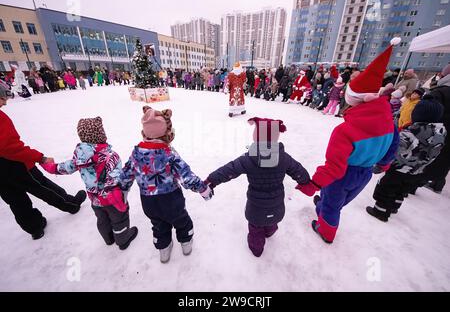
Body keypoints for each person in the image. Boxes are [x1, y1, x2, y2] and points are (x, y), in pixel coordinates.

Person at [296, 38, 402, 244]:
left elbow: (334, 168)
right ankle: (325, 205)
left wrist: (313, 184)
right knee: (340, 200)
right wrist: (384, 164)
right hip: (365, 173)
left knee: (331, 206)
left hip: (343, 175)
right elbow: (393, 145)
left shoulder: (345, 130)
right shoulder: (389, 121)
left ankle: (326, 230)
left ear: (354, 100)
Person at [205, 118, 311, 257]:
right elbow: (299, 172)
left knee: (255, 229)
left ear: (256, 137)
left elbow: (228, 170)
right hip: (276, 205)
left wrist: (211, 180)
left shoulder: (248, 159)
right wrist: (305, 182)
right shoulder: (284, 158)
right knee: (271, 221)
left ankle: (256, 249)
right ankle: (270, 231)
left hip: (256, 206)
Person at [120, 106, 212, 263]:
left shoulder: (136, 153)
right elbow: (186, 176)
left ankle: (163, 249)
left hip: (148, 202)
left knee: (158, 225)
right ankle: (186, 242)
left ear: (145, 133)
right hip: (171, 200)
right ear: (167, 134)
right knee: (182, 221)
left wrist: (122, 191)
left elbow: (126, 174)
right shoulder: (169, 153)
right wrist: (203, 189)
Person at [0, 83, 86, 240]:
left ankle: (34, 227)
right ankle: (71, 205)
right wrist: (40, 157)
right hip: (14, 165)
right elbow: (10, 147)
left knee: (16, 201)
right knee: (43, 187)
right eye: (2, 98)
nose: (5, 102)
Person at [40, 117, 139, 249]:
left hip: (95, 199)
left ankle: (108, 238)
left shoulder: (79, 158)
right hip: (112, 199)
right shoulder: (110, 155)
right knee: (119, 219)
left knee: (102, 219)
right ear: (101, 134)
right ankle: (123, 240)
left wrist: (48, 165)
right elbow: (119, 178)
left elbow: (63, 168)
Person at [367, 100, 446, 222]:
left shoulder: (413, 132)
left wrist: (383, 159)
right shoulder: (440, 133)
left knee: (387, 188)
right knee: (402, 189)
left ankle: (380, 211)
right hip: (417, 170)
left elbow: (396, 148)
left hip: (400, 167)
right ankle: (394, 207)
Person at [419, 63, 450, 193]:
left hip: (438, 128)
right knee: (446, 156)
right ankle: (438, 182)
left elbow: (427, 109)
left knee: (432, 153)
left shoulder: (441, 91)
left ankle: (423, 178)